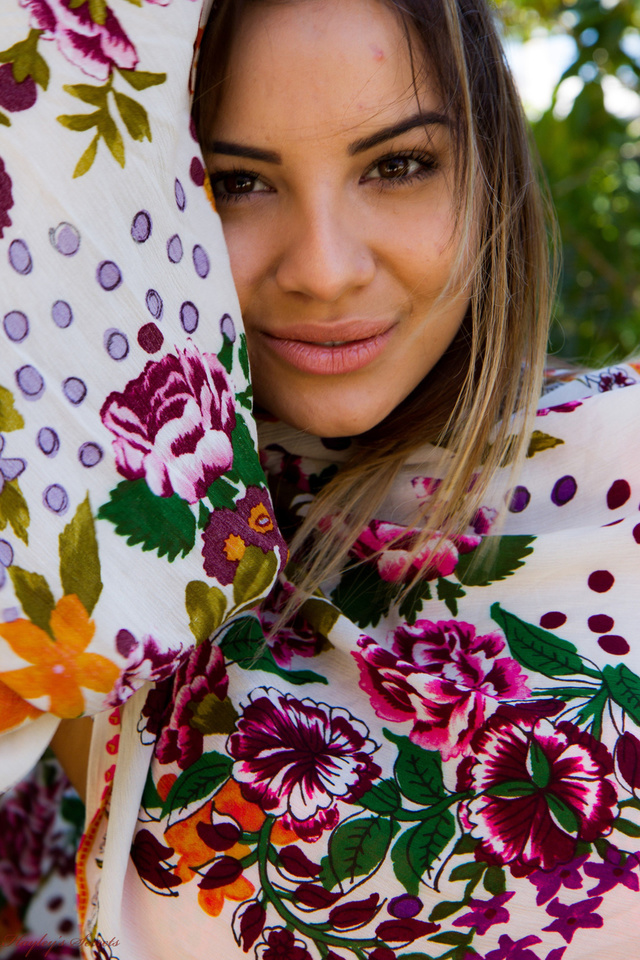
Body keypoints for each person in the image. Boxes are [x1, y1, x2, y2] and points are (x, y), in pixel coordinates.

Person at [2, 0, 640, 958]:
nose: (325, 270)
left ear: (489, 172)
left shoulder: (622, 469)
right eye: (237, 182)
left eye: (398, 165)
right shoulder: (103, 559)